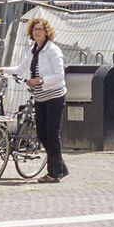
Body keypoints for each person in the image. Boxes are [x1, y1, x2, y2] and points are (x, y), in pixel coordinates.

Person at [13, 15, 69, 182]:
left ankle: (54, 174)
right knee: (43, 134)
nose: (37, 32)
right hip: (40, 97)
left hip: (54, 96)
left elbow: (60, 75)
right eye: (35, 29)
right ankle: (60, 168)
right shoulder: (33, 50)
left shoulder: (52, 50)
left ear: (46, 32)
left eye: (40, 29)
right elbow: (20, 68)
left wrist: (40, 80)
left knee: (52, 134)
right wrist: (1, 69)